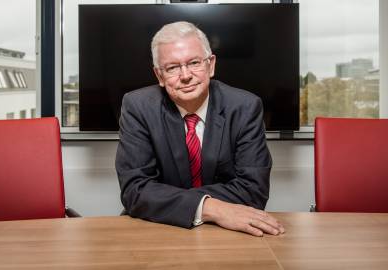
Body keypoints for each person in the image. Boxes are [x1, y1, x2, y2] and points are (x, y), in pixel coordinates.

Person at [115, 21, 285, 237]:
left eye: (194, 62)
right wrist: (210, 207)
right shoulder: (138, 107)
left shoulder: (245, 107)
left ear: (210, 65)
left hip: (227, 232)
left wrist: (166, 197)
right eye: (173, 67)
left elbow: (254, 191)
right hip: (156, 228)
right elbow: (135, 191)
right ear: (159, 75)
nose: (185, 75)